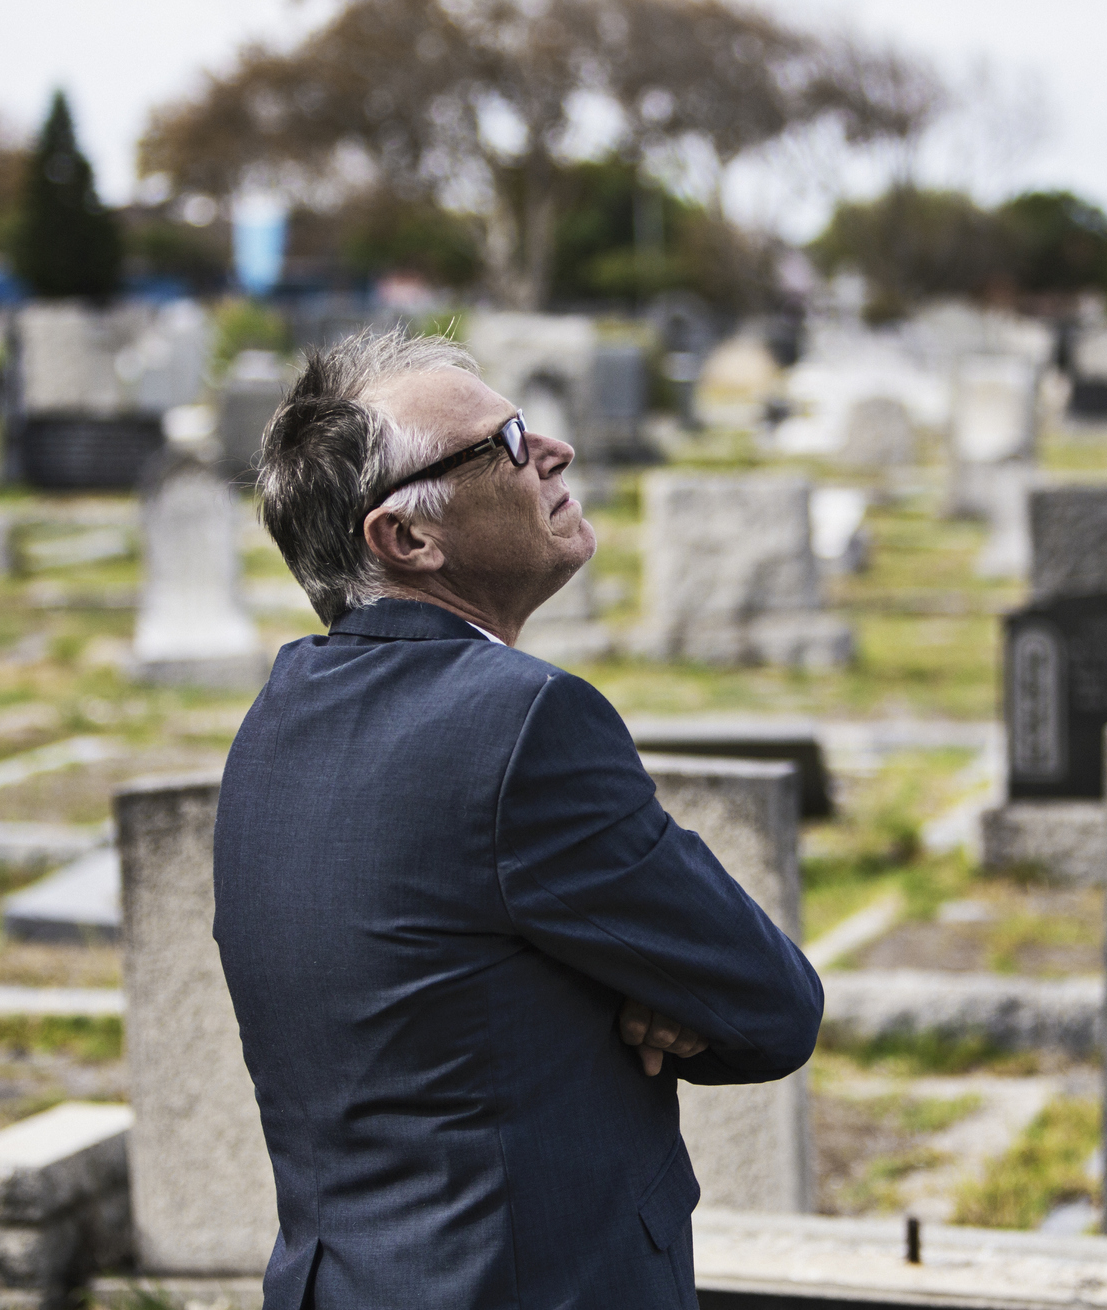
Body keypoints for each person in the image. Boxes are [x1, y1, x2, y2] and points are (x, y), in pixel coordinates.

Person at [215, 329, 823, 1310]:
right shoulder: (526, 720)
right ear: (407, 539)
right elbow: (771, 1006)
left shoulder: (279, 711)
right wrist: (646, 990)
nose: (554, 451)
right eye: (503, 440)